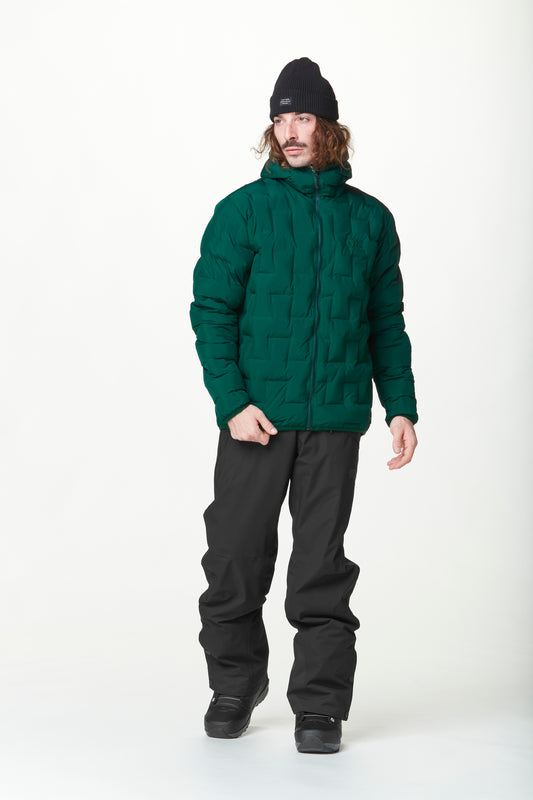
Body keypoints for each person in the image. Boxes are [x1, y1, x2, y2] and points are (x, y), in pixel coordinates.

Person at [189, 57, 419, 754]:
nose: (290, 130)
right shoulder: (242, 211)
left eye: (304, 117)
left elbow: (385, 322)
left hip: (335, 421)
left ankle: (319, 705)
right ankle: (235, 685)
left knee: (320, 566)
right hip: (255, 421)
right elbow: (211, 314)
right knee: (234, 558)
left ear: (329, 128)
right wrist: (233, 402)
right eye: (281, 118)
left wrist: (400, 407)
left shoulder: (370, 220)